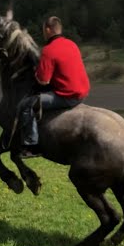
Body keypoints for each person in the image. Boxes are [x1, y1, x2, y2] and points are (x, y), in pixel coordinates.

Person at [18, 16, 90, 158]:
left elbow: (43, 81)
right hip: (83, 93)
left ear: (48, 29)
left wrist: (37, 72)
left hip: (67, 97)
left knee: (26, 105)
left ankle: (32, 146)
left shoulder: (49, 50)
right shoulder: (72, 44)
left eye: (43, 30)